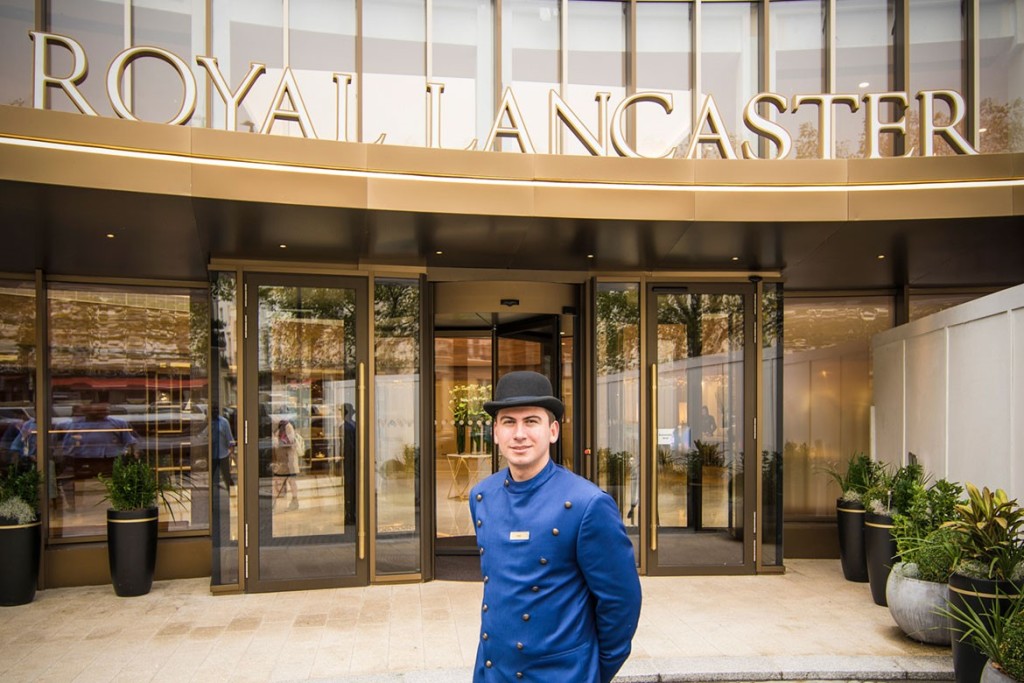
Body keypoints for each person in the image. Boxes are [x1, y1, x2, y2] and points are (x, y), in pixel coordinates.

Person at [469, 371, 642, 683]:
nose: (519, 433)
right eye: (508, 422)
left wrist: (591, 672)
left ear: (553, 431)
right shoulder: (481, 497)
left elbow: (621, 603)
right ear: (495, 432)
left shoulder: (588, 504)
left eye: (531, 421)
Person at [272, 419, 302, 510]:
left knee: (288, 480)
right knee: (281, 480)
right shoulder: (278, 427)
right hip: (283, 460)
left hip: (289, 460)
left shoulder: (287, 426)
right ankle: (275, 502)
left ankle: (293, 501)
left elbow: (291, 441)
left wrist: (280, 442)